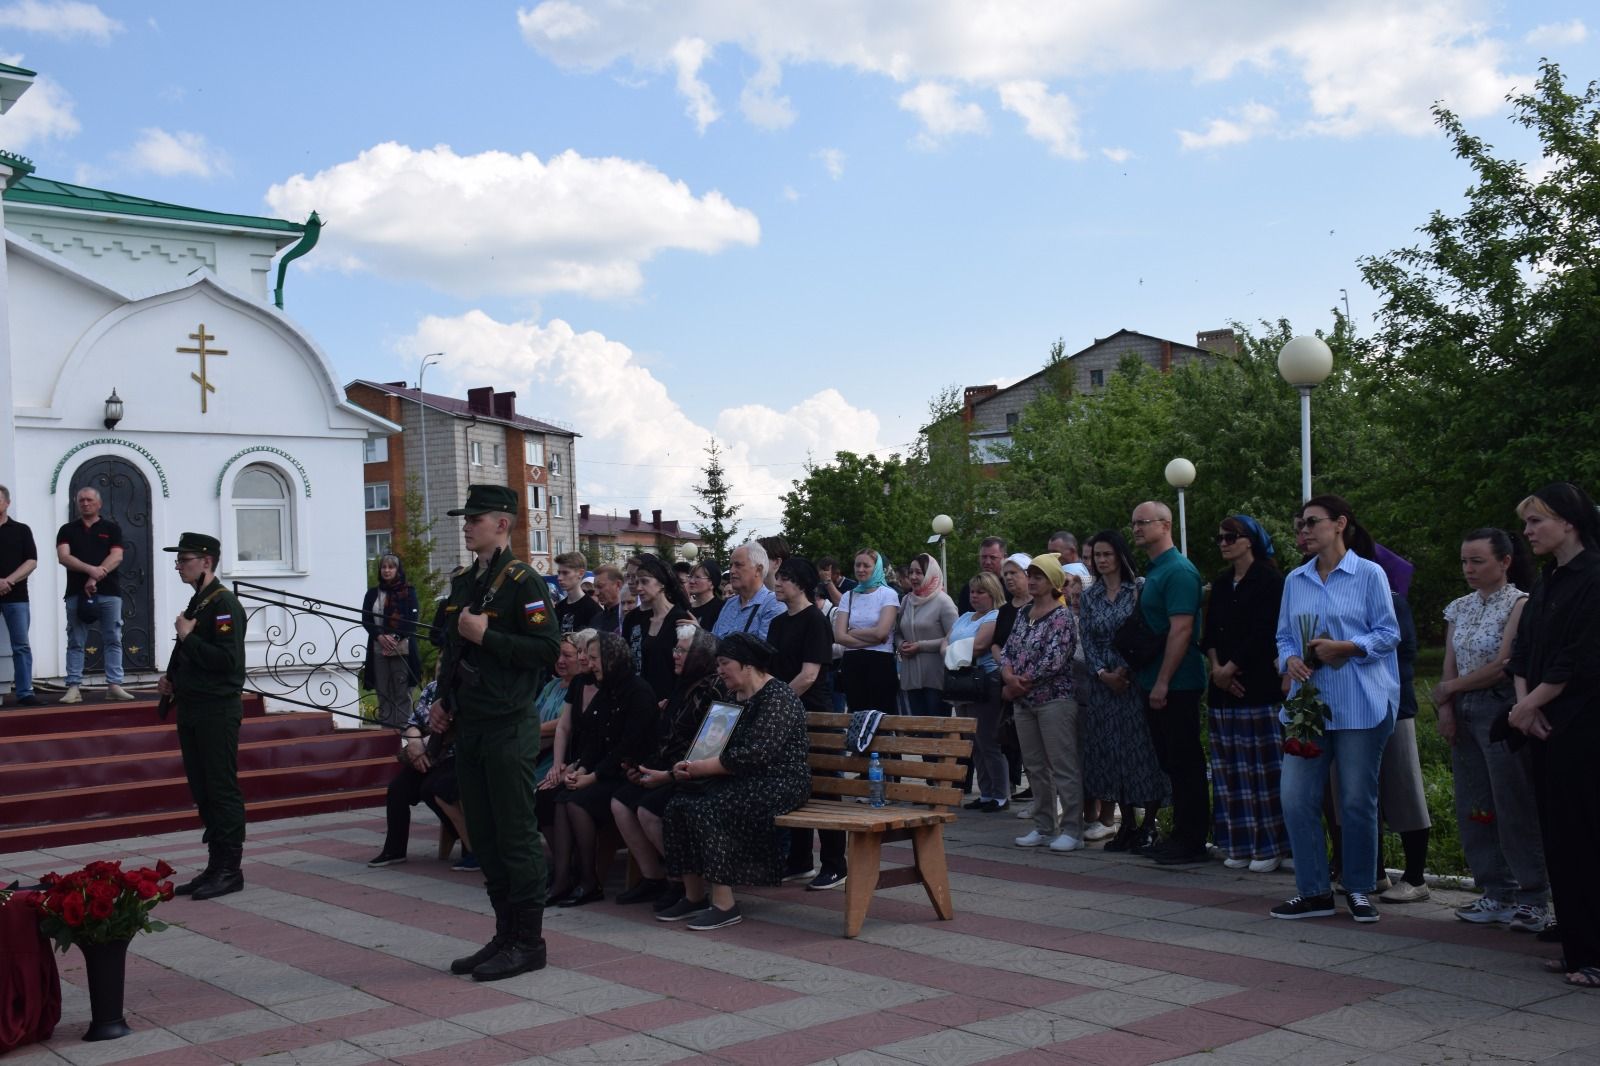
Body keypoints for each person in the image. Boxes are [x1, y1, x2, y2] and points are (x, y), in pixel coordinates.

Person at [430, 484, 561, 982]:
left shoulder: (523, 582)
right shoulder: (467, 581)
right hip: (472, 724)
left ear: (503, 523)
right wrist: (443, 702)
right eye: (466, 518)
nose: (466, 525)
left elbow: (548, 651)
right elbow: (452, 651)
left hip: (508, 723)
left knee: (514, 834)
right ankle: (505, 934)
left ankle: (529, 941)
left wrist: (490, 636)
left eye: (474, 518)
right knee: (483, 834)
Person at [1271, 495, 1400, 924]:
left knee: (1357, 801)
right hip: (1309, 705)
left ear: (1340, 523)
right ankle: (1312, 892)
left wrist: (1348, 647)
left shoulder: (1369, 574)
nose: (1303, 532)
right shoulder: (1296, 579)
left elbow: (1388, 634)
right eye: (1299, 525)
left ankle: (1359, 888)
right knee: (1295, 797)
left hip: (1360, 702)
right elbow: (1285, 637)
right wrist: (1289, 659)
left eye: (1311, 523)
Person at [657, 633, 811, 930]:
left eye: (725, 663)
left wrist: (704, 767)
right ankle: (694, 896)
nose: (720, 670)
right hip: (739, 776)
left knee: (710, 808)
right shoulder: (730, 697)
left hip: (780, 781)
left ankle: (725, 904)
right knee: (678, 804)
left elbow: (758, 754)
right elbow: (712, 741)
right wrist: (690, 764)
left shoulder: (778, 696)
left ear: (748, 665)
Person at [1509, 483, 1600, 988]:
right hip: (1540, 724)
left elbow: (1582, 657)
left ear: (1569, 522)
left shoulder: (1594, 578)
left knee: (1586, 836)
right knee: (1559, 838)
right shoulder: (1548, 580)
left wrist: (1529, 704)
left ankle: (1594, 954)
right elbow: (1524, 649)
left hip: (1581, 724)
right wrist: (1525, 703)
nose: (1527, 532)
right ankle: (1577, 947)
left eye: (1536, 521)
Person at [1435, 527, 1547, 930]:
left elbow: (1504, 662)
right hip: (1463, 709)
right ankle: (1494, 890)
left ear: (1504, 561)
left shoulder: (1518, 603)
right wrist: (1447, 706)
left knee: (1511, 802)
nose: (1469, 569)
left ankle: (1532, 895)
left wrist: (1451, 688)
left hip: (1499, 707)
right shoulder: (1460, 607)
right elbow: (1451, 658)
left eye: (1478, 561)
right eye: (1465, 561)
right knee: (1475, 804)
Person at [157, 533, 247, 900]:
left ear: (206, 561)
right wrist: (172, 681)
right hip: (193, 706)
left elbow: (228, 663)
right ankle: (215, 866)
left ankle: (230, 869)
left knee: (221, 788)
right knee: (203, 789)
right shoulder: (200, 601)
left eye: (185, 558)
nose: (179, 565)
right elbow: (197, 657)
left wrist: (187, 638)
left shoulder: (223, 604)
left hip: (217, 709)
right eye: (178, 559)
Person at [611, 624, 723, 908]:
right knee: (621, 801)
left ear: (699, 655)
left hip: (694, 774)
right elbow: (664, 736)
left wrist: (665, 775)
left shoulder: (712, 690)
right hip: (668, 768)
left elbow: (704, 746)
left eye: (682, 651)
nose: (675, 656)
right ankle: (654, 877)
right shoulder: (683, 685)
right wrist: (643, 767)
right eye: (675, 649)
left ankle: (682, 882)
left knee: (649, 809)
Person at [1201, 516, 1289, 873]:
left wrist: (1232, 667)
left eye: (1230, 537)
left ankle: (1269, 845)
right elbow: (1209, 635)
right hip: (1224, 692)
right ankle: (1237, 841)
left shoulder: (1272, 582)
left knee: (1262, 772)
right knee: (1229, 772)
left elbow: (1267, 631)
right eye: (1219, 537)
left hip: (1258, 687)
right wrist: (1218, 669)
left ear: (1250, 540)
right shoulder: (1221, 584)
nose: (1222, 543)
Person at [545, 631, 658, 906]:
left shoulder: (638, 691)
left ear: (612, 658)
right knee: (560, 798)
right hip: (602, 768)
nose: (590, 663)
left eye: (595, 658)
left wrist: (592, 776)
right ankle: (562, 879)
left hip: (627, 772)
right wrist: (581, 769)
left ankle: (589, 881)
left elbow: (627, 746)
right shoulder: (607, 690)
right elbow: (595, 740)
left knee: (577, 802)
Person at [1129, 501, 1210, 866]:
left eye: (1143, 523)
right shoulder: (1157, 569)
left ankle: (1192, 840)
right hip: (1155, 680)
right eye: (1133, 524)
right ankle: (1180, 833)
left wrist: (1162, 682)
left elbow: (1182, 630)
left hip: (1176, 683)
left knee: (1185, 761)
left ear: (1165, 525)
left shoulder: (1178, 570)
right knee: (1170, 761)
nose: (1136, 529)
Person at [1080, 531, 1168, 851]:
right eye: (1096, 556)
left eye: (1107, 554)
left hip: (1135, 679)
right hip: (1104, 686)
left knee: (1142, 751)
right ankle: (1126, 822)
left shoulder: (1139, 589)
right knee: (1112, 753)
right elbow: (1087, 640)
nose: (1101, 561)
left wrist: (1127, 671)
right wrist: (1103, 674)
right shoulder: (1090, 597)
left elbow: (1151, 631)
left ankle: (1149, 824)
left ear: (1119, 555)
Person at [998, 554, 1083, 853]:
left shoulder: (1061, 617)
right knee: (1035, 767)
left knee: (1063, 765)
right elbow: (1008, 650)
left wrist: (1021, 682)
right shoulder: (1024, 614)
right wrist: (1008, 675)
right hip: (1024, 702)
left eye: (1039, 576)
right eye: (1030, 575)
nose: (1032, 580)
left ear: (1053, 582)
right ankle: (1044, 826)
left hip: (1053, 700)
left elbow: (1055, 659)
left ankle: (1073, 829)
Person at [769, 555, 845, 890]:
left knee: (825, 789)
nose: (777, 583)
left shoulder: (815, 620)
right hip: (788, 715)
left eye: (784, 578)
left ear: (800, 582)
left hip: (814, 715)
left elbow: (809, 675)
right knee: (792, 786)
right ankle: (799, 860)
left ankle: (834, 864)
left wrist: (778, 702)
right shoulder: (778, 623)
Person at [1369, 545, 1433, 903]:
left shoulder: (1391, 600)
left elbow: (1404, 654)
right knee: (1361, 794)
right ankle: (1373, 872)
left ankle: (1415, 876)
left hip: (1394, 707)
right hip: (1354, 709)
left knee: (1403, 788)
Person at [368, 677, 474, 868]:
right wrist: (415, 745)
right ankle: (394, 850)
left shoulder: (469, 688)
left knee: (432, 788)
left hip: (458, 756)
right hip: (429, 753)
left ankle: (469, 843)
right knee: (397, 789)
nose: (443, 666)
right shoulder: (433, 688)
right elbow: (413, 723)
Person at [56, 486, 133, 703]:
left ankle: (114, 685)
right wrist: (91, 571)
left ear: (99, 504)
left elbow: (117, 556)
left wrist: (96, 577)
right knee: (75, 639)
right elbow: (64, 557)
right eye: (81, 501)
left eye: (89, 500)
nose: (85, 503)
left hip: (109, 592)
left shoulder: (112, 528)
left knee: (113, 638)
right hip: (75, 594)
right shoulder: (67, 530)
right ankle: (73, 687)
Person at [946, 572, 1005, 811]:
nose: (975, 596)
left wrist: (954, 651)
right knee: (973, 741)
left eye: (981, 592)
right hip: (962, 682)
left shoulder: (995, 616)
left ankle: (1000, 794)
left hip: (984, 681)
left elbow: (980, 646)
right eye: (972, 591)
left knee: (988, 740)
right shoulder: (966, 617)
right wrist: (956, 650)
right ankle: (986, 792)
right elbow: (945, 642)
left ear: (992, 594)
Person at [531, 632, 587, 835]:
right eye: (558, 655)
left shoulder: (581, 687)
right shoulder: (552, 685)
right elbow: (534, 715)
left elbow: (565, 723)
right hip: (535, 748)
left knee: (536, 794)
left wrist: (530, 733)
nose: (560, 661)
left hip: (558, 756)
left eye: (567, 655)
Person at [833, 549, 900, 713]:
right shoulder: (848, 596)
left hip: (880, 662)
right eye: (857, 565)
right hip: (853, 663)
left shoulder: (888, 594)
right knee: (857, 713)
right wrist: (873, 638)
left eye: (866, 565)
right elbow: (839, 636)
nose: (861, 569)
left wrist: (853, 632)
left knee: (882, 715)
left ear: (876, 568)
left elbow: (882, 633)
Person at [622, 553, 694, 702]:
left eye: (644, 582)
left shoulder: (680, 619)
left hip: (668, 701)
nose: (639, 588)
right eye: (637, 582)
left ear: (661, 584)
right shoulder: (636, 618)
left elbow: (687, 665)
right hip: (640, 700)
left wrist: (673, 699)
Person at [362, 554, 421, 729]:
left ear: (397, 570)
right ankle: (386, 733)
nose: (387, 570)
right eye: (384, 567)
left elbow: (412, 619)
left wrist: (394, 637)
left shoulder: (408, 592)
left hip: (402, 648)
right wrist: (380, 636)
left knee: (402, 692)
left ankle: (403, 732)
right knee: (383, 691)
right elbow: (366, 619)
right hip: (378, 648)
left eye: (391, 567)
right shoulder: (372, 593)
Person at [897, 553, 958, 717]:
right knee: (920, 731)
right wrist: (900, 644)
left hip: (936, 678)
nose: (913, 577)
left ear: (930, 573)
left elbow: (954, 638)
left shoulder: (943, 602)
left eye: (919, 572)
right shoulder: (906, 601)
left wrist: (920, 646)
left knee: (936, 733)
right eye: (911, 572)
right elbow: (897, 632)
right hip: (910, 678)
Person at [996, 553, 1032, 805]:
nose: (1008, 578)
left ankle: (1040, 797)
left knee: (1036, 746)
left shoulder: (1040, 606)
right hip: (1009, 680)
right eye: (1005, 574)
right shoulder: (1005, 610)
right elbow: (997, 644)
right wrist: (1007, 672)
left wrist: (1020, 677)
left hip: (1032, 683)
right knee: (1011, 738)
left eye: (1014, 573)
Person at [0, 485, 40, 706]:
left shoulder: (21, 530)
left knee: (21, 646)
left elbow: (31, 561)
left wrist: (8, 581)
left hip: (16, 597)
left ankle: (25, 692)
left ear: (7, 503)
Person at [712, 541, 784, 640]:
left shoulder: (774, 604)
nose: (732, 571)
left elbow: (764, 651)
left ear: (758, 570)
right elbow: (713, 643)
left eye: (738, 565)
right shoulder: (730, 604)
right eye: (731, 566)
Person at [554, 551, 600, 635]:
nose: (559, 578)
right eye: (559, 573)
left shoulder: (593, 609)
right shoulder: (558, 608)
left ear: (580, 573)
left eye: (565, 573)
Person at [957, 537, 1007, 614]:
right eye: (984, 557)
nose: (987, 562)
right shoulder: (968, 589)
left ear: (1004, 557)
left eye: (993, 557)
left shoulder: (1010, 589)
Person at [686, 559, 723, 629]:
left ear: (711, 583)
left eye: (697, 577)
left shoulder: (721, 608)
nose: (691, 581)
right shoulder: (687, 608)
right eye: (690, 576)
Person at [592, 564, 626, 634]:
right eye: (595, 587)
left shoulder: (627, 618)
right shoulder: (596, 619)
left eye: (600, 586)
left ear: (618, 585)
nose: (596, 593)